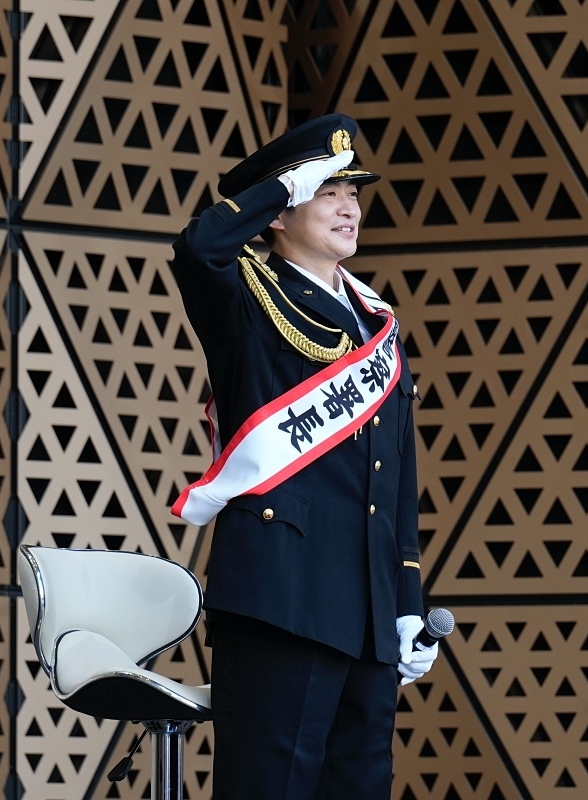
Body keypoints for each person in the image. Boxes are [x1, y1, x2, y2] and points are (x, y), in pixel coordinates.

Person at [168, 112, 438, 798]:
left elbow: (396, 479)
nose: (349, 207)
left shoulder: (375, 323)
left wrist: (406, 600)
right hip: (282, 600)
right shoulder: (248, 301)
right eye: (327, 192)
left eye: (352, 192)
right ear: (281, 214)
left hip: (370, 612)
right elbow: (198, 248)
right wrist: (280, 187)